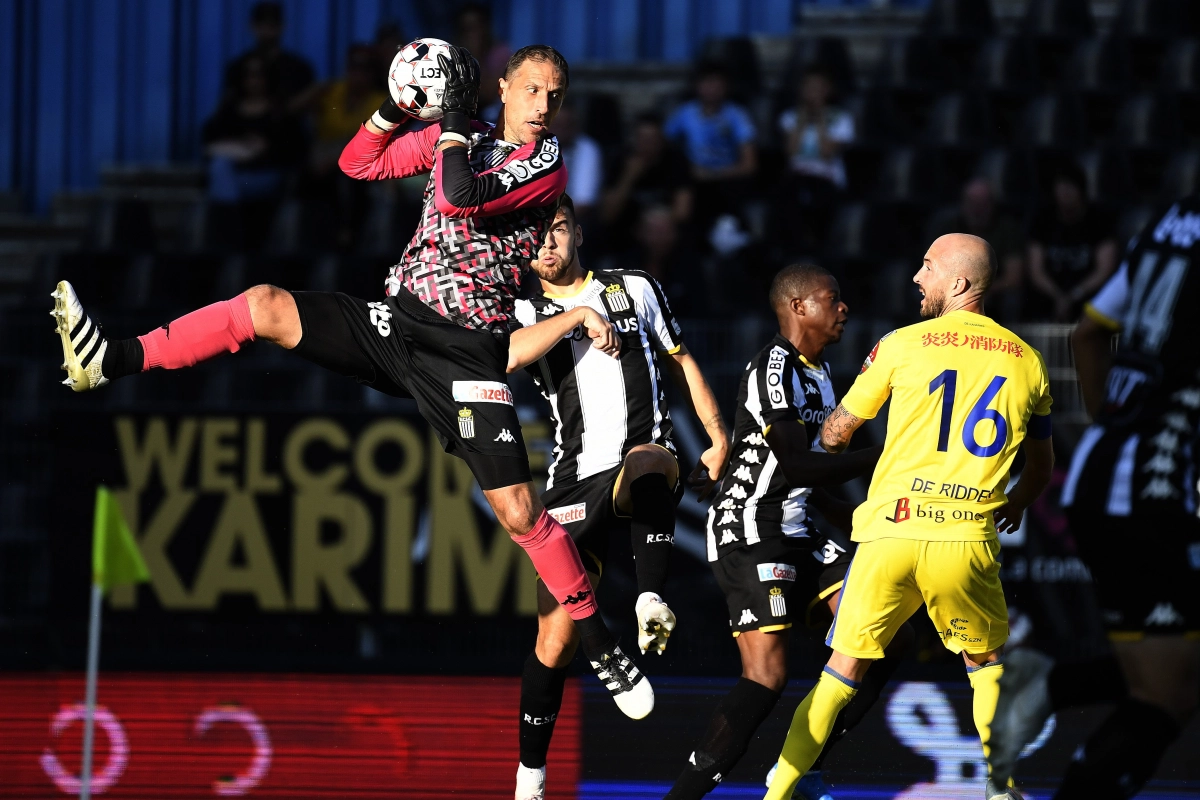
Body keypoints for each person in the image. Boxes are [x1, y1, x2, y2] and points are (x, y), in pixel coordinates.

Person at [52, 44, 654, 718]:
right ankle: (110, 359)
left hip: (467, 351)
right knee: (265, 305)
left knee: (518, 512)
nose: (544, 105)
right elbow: (357, 162)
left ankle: (599, 641)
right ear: (505, 85)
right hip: (399, 324)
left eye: (556, 95)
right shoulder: (464, 134)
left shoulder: (545, 165)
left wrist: (450, 120)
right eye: (534, 88)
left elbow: (458, 198)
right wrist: (395, 107)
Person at [763, 234, 1055, 800]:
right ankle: (1002, 789)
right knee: (987, 664)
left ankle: (777, 794)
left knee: (840, 672)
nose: (916, 278)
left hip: (890, 531)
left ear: (960, 284)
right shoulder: (1029, 362)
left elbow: (835, 432)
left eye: (927, 267)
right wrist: (1013, 507)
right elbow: (1040, 471)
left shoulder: (900, 345)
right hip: (965, 537)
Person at [511, 195, 729, 800]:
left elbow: (683, 360)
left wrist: (717, 438)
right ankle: (530, 775)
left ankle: (650, 597)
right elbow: (509, 356)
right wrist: (577, 319)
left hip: (636, 465)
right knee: (552, 641)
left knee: (651, 458)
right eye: (535, 238)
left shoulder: (634, 288)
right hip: (573, 478)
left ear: (578, 231)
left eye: (556, 231)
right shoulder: (523, 308)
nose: (547, 245)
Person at [664, 264, 910, 800]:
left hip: (801, 526)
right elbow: (795, 466)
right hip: (752, 525)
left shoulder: (820, 372)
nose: (844, 308)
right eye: (832, 298)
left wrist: (845, 512)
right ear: (799, 307)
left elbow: (804, 471)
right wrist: (888, 454)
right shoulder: (772, 368)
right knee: (766, 680)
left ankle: (800, 768)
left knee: (874, 648)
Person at [988, 196, 1200, 797]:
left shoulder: (1168, 222)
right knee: (1164, 692)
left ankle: (1051, 685)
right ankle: (1053, 687)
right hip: (1148, 493)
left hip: (1107, 475)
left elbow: (1086, 333)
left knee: (1169, 686)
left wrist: (1111, 419)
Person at [203, 56, 307, 251]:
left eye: (259, 76)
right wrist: (245, 150)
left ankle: (229, 240)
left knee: (224, 174)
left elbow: (292, 152)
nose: (254, 81)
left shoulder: (280, 114)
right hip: (234, 176)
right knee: (220, 167)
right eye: (249, 76)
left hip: (267, 178)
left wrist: (261, 152)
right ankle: (231, 239)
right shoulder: (228, 111)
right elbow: (209, 145)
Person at [299, 43, 388, 249]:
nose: (358, 74)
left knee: (346, 180)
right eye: (353, 68)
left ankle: (346, 236)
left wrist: (333, 160)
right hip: (321, 157)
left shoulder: (380, 100)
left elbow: (368, 140)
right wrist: (313, 93)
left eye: (365, 69)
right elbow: (291, 110)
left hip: (357, 163)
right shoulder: (332, 91)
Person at [665, 61, 757, 241]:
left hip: (727, 180)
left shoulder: (737, 115)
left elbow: (750, 165)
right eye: (707, 83)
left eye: (718, 84)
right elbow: (664, 145)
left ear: (726, 88)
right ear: (697, 86)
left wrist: (713, 174)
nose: (712, 89)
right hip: (693, 179)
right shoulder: (685, 113)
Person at [1027, 164, 1119, 322]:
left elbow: (1104, 270)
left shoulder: (1100, 221)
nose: (1065, 193)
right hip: (1049, 300)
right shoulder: (1042, 220)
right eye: (1061, 188)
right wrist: (1058, 297)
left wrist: (1073, 295)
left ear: (1081, 190)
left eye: (1070, 187)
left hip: (1090, 300)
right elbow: (1036, 271)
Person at [776, 65, 854, 252]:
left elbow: (827, 152)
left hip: (826, 178)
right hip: (797, 177)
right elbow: (791, 151)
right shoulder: (790, 117)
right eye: (808, 87)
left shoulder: (841, 118)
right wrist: (803, 120)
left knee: (821, 204)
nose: (813, 93)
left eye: (818, 87)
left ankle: (819, 249)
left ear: (828, 90)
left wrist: (819, 118)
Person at [934, 178, 1025, 321]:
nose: (977, 209)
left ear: (992, 204)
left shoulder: (1007, 229)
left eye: (983, 203)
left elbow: (1013, 278)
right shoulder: (948, 228)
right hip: (954, 292)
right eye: (972, 202)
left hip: (994, 292)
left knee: (1012, 299)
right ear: (962, 204)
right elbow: (935, 272)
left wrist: (979, 292)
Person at [601, 113, 693, 251]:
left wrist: (655, 224)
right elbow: (607, 215)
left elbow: (682, 212)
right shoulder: (620, 161)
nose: (648, 145)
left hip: (665, 232)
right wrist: (628, 178)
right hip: (627, 233)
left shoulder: (676, 161)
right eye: (643, 139)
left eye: (652, 139)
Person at [222, 1, 315, 113]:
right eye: (262, 25)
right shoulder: (238, 68)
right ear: (253, 26)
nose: (267, 31)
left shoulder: (299, 68)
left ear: (282, 26)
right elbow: (228, 107)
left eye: (272, 25)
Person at [553, 104, 603, 224]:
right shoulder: (532, 148)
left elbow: (584, 202)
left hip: (574, 220)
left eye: (568, 125)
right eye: (558, 124)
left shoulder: (588, 148)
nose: (563, 129)